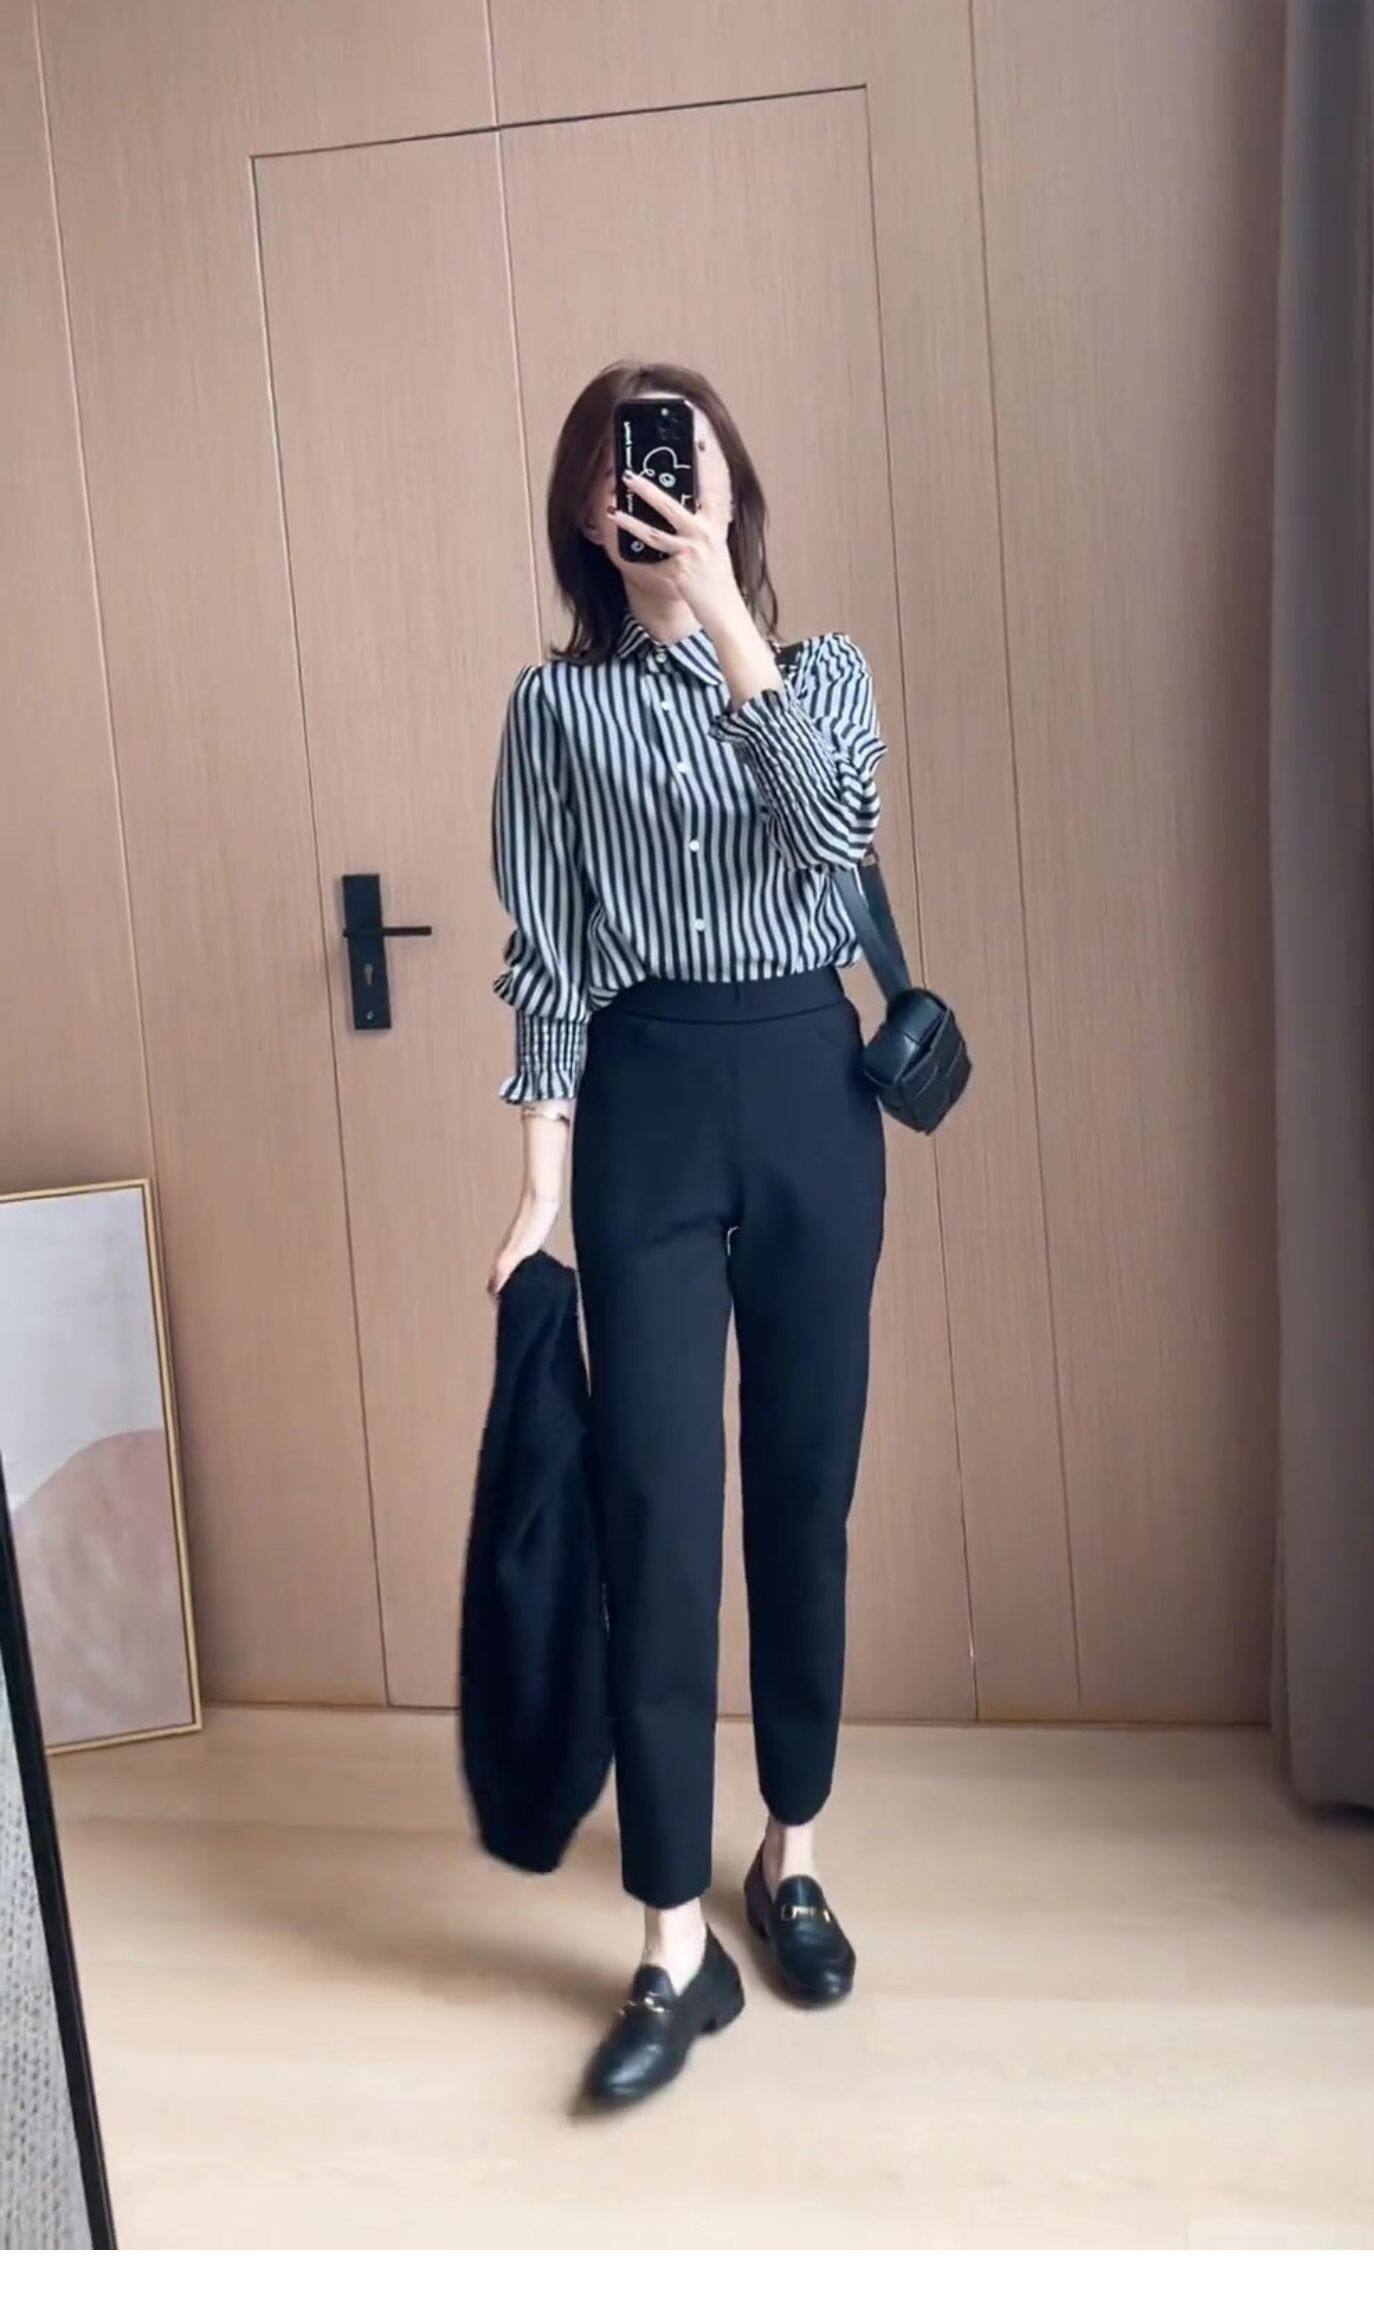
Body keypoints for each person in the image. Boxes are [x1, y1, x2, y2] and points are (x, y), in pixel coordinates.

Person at [486, 361, 888, 2109]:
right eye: (620, 467)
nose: (649, 486)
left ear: (731, 484)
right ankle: (671, 1937)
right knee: (653, 1511)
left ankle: (789, 1850)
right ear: (584, 512)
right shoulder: (552, 709)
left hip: (809, 1086)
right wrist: (539, 1184)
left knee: (804, 1487)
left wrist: (728, 619)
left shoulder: (824, 675)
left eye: (681, 456)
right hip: (644, 1099)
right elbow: (548, 956)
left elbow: (833, 840)